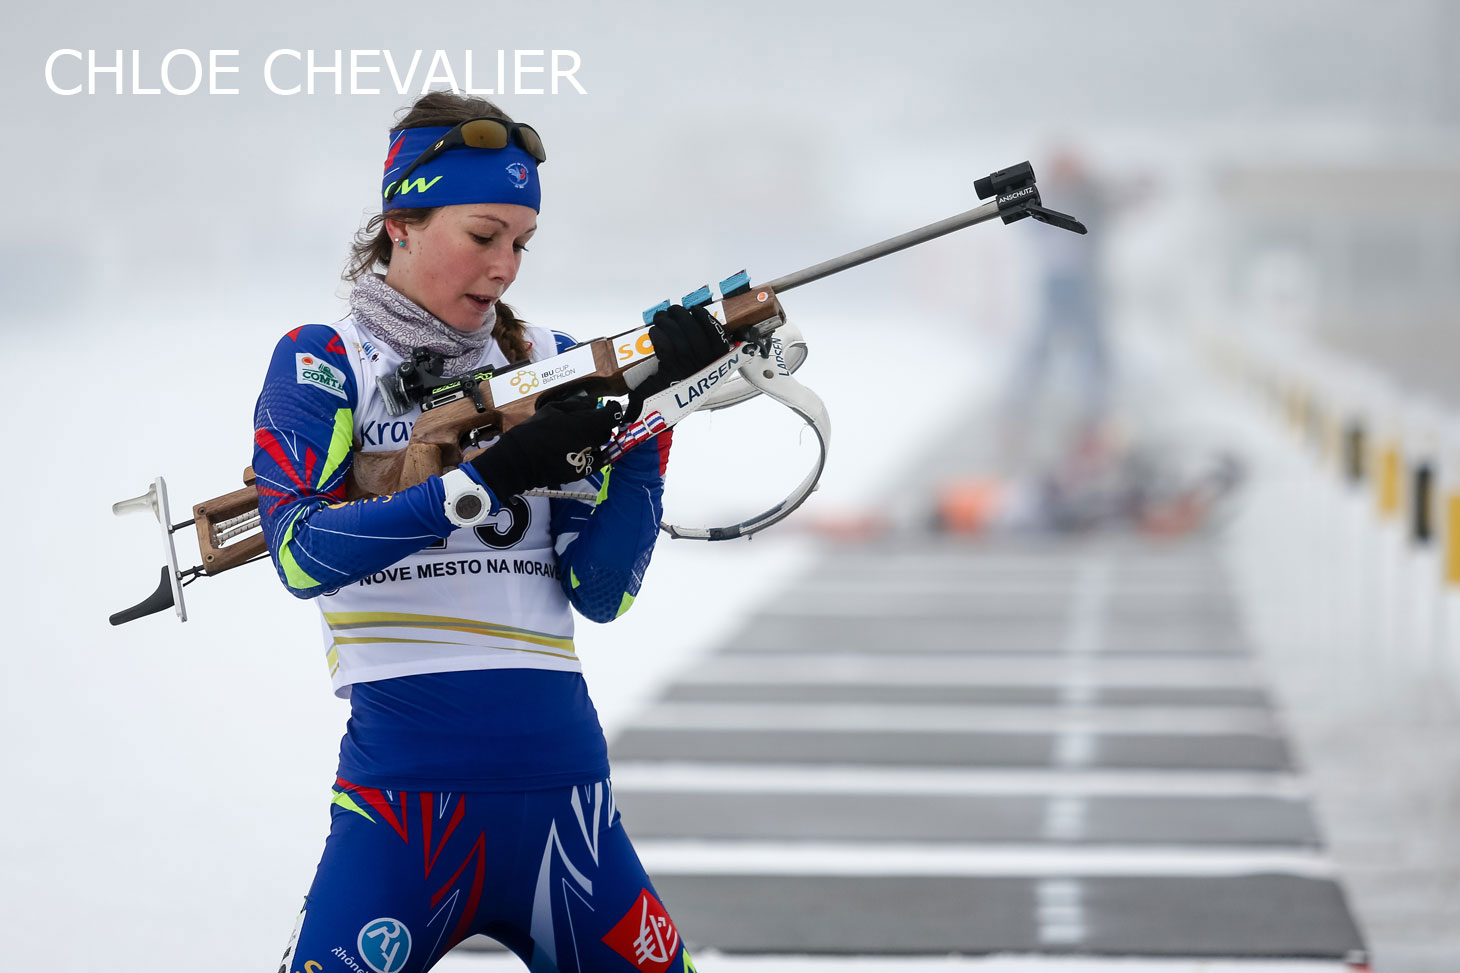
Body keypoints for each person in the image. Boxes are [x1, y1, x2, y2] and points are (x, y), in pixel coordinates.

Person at [260, 91, 726, 973]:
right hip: (402, 815)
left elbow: (601, 591)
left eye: (521, 242)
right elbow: (300, 553)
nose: (506, 265)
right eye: (484, 235)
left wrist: (652, 425)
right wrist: (489, 479)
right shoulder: (325, 361)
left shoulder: (550, 360)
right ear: (401, 221)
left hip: (569, 805)